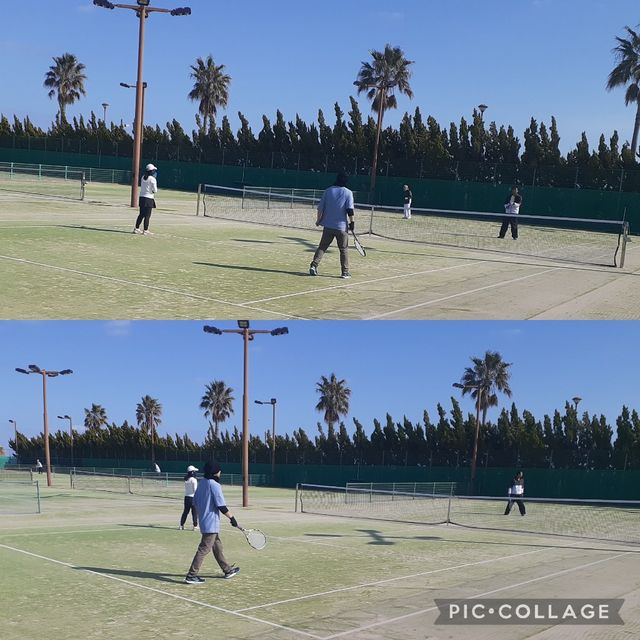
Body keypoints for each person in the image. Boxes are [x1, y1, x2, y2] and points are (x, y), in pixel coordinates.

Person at [184, 461, 241, 584]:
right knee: (204, 549)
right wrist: (232, 518)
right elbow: (221, 506)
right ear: (215, 472)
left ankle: (227, 570)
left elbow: (195, 502)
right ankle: (191, 575)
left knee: (217, 546)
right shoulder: (214, 485)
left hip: (205, 521)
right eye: (219, 470)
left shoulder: (202, 483)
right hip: (211, 524)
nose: (220, 472)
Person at [309, 172, 355, 279]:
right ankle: (345, 272)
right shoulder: (348, 193)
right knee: (343, 250)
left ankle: (314, 266)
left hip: (328, 226)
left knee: (322, 247)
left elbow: (320, 208)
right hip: (341, 228)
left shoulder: (328, 191)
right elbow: (350, 210)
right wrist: (352, 223)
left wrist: (318, 220)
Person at [133, 163, 158, 236]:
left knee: (141, 214)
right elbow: (155, 190)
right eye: (154, 170)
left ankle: (136, 228)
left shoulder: (143, 177)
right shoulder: (153, 179)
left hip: (142, 198)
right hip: (149, 199)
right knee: (147, 215)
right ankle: (146, 230)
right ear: (151, 171)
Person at [180, 465, 199, 531]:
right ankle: (195, 526)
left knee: (185, 512)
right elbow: (195, 490)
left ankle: (181, 525)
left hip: (187, 497)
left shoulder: (186, 479)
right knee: (194, 512)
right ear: (192, 472)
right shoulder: (194, 480)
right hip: (193, 497)